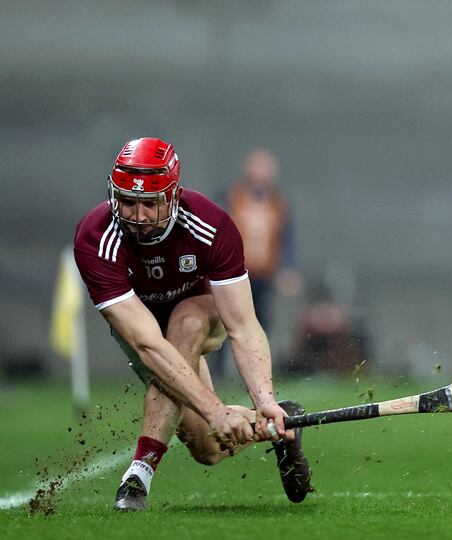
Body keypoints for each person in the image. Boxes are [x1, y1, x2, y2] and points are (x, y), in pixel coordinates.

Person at [73, 138, 312, 511]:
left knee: (184, 323)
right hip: (146, 331)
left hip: (202, 313)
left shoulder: (211, 224)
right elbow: (148, 343)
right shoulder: (95, 238)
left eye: (150, 203)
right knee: (207, 448)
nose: (137, 215)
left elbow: (243, 327)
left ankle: (140, 471)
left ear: (173, 196)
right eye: (128, 201)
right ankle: (281, 426)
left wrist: (262, 398)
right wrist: (219, 413)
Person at [226, 149, 302, 332]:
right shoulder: (233, 199)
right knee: (228, 320)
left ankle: (259, 359)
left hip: (263, 273)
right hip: (233, 272)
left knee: (260, 321)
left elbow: (286, 238)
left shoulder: (277, 204)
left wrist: (289, 268)